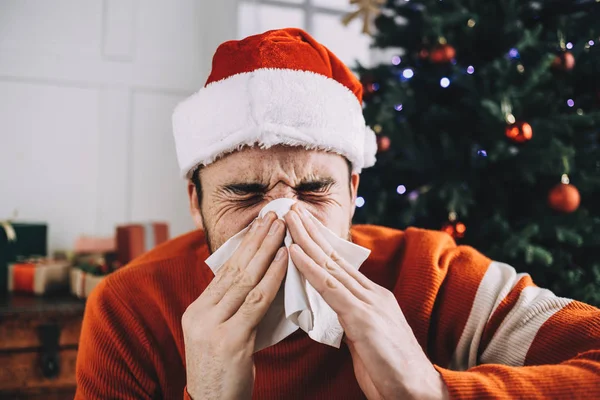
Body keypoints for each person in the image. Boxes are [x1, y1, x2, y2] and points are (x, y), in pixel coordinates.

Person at [75, 28, 600, 399]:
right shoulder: (128, 308)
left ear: (351, 191)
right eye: (245, 192)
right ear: (195, 201)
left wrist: (433, 391)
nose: (281, 220)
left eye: (313, 188)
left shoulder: (433, 277)